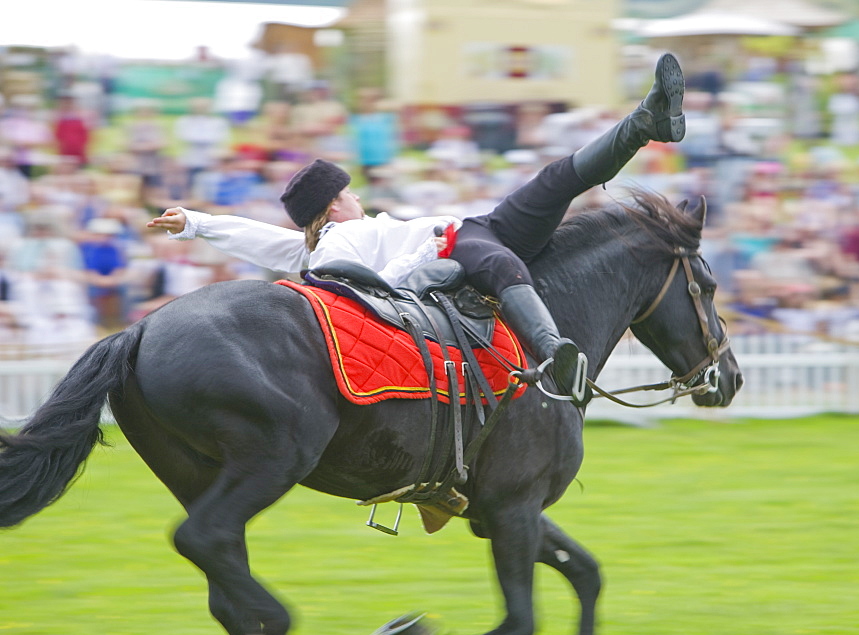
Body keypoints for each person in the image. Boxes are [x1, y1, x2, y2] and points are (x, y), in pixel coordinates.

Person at [148, 53, 688, 406]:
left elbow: (259, 238)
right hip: (462, 244)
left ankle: (646, 121)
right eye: (349, 192)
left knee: (554, 180)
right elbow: (348, 281)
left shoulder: (321, 239)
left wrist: (195, 222)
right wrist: (422, 258)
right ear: (335, 207)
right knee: (501, 260)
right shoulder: (339, 241)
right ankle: (556, 354)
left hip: (480, 227)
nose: (358, 196)